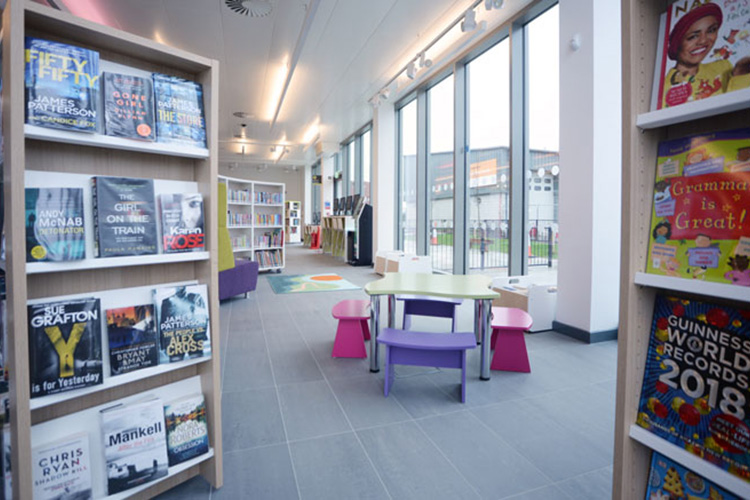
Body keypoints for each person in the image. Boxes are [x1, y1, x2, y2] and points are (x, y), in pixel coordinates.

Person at [662, 3, 750, 107]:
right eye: (692, 36)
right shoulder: (664, 88)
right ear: (677, 44)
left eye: (711, 30)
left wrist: (740, 74)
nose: (703, 41)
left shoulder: (723, 67)